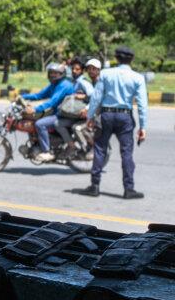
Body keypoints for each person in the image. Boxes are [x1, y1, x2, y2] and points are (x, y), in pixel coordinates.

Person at [80, 46, 148, 199]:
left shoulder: (105, 74)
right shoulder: (137, 77)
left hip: (106, 115)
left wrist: (90, 117)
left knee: (99, 149)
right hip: (125, 117)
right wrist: (143, 127)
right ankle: (129, 189)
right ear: (132, 59)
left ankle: (95, 186)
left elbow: (96, 97)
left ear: (116, 58)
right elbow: (143, 104)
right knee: (126, 153)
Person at [21, 63, 74, 162]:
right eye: (51, 73)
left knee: (39, 124)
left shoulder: (64, 85)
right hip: (57, 113)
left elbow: (52, 101)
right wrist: (23, 96)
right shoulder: (54, 85)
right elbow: (39, 95)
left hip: (64, 115)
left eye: (55, 73)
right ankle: (37, 143)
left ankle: (47, 151)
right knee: (32, 120)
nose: (52, 75)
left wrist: (35, 109)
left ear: (61, 74)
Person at [53, 58, 95, 148]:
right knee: (57, 124)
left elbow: (94, 98)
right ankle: (70, 145)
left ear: (82, 71)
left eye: (77, 69)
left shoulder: (84, 82)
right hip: (74, 114)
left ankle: (90, 147)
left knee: (73, 127)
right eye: (72, 69)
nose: (74, 71)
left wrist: (86, 108)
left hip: (82, 115)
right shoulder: (74, 81)